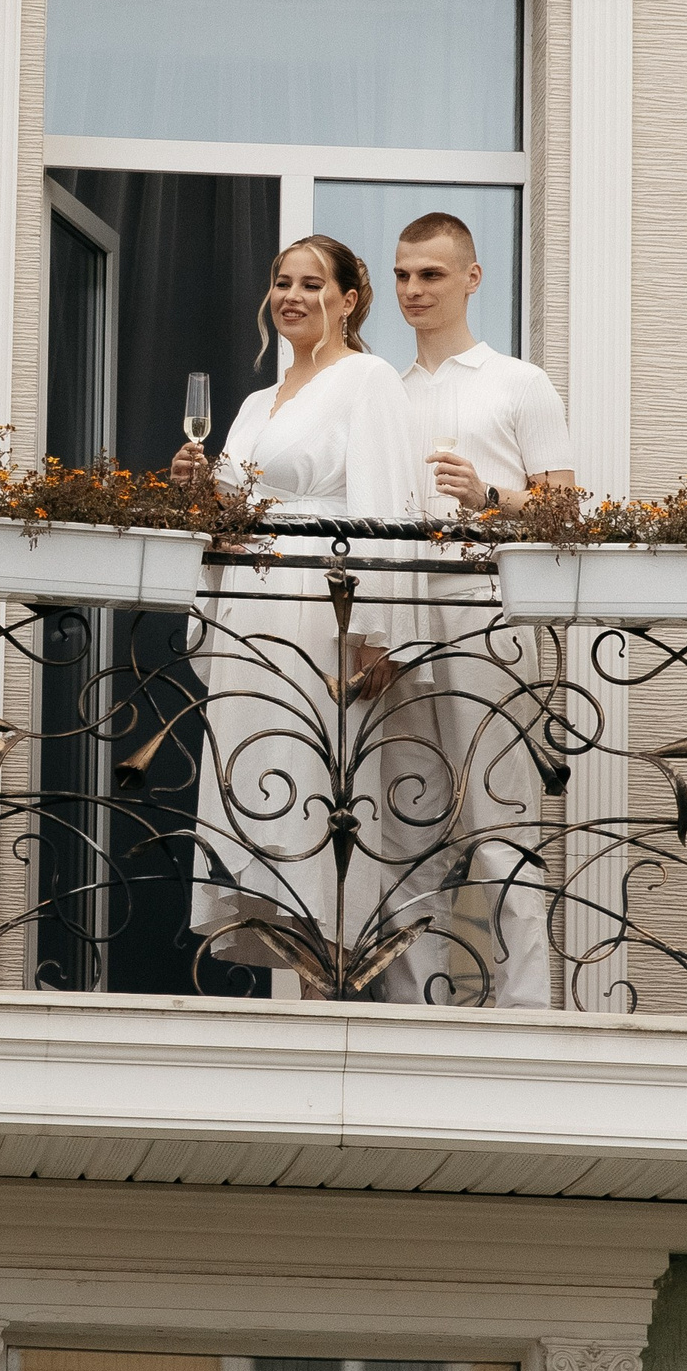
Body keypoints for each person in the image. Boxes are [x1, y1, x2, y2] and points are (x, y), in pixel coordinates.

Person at [170, 235, 422, 996]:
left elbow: (388, 505)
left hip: (320, 612)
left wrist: (378, 635)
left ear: (348, 299)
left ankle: (334, 1002)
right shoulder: (252, 403)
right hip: (251, 613)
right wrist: (199, 485)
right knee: (262, 789)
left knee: (320, 795)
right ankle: (303, 1005)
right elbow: (237, 510)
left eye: (313, 284)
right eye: (282, 281)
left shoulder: (368, 380)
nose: (293, 295)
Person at [385, 210, 574, 1009]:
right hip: (396, 619)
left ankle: (526, 1011)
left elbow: (566, 508)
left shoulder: (516, 381)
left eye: (430, 274)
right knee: (402, 824)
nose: (413, 290)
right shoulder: (385, 395)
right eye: (401, 275)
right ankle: (411, 1010)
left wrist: (489, 497)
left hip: (482, 614)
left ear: (472, 278)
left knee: (499, 821)